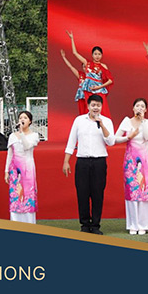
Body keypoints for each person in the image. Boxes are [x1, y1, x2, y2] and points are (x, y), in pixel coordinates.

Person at [63, 94, 116, 234]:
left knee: (98, 194)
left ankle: (96, 225)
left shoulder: (107, 121)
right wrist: (66, 161)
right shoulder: (79, 120)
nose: (95, 108)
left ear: (101, 107)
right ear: (88, 106)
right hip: (82, 162)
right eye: (93, 105)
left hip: (99, 161)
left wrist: (102, 125)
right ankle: (85, 225)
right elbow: (71, 141)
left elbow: (111, 141)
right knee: (82, 193)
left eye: (98, 105)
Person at [114, 98, 148, 235]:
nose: (139, 108)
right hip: (130, 161)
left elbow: (147, 137)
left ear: (145, 110)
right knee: (132, 190)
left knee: (144, 190)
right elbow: (115, 138)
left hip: (145, 161)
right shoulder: (126, 121)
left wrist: (142, 121)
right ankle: (133, 224)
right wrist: (129, 137)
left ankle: (144, 224)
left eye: (142, 106)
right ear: (133, 108)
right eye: (137, 106)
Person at [66, 30, 114, 118]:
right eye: (95, 54)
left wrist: (98, 87)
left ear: (102, 55)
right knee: (88, 111)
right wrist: (72, 39)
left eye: (99, 54)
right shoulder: (87, 63)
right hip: (88, 90)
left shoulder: (103, 66)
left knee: (102, 111)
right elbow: (75, 53)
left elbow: (110, 80)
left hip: (99, 91)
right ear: (92, 55)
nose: (97, 56)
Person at [4, 110, 39, 223]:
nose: (22, 120)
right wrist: (6, 171)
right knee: (15, 195)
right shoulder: (12, 136)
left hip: (27, 168)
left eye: (25, 118)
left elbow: (27, 146)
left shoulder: (34, 135)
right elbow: (10, 154)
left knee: (28, 194)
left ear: (30, 121)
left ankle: (29, 222)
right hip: (14, 169)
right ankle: (15, 222)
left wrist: (22, 134)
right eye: (20, 118)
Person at [60, 49, 89, 115]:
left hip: (89, 96)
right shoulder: (80, 75)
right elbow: (70, 67)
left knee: (89, 112)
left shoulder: (93, 75)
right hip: (81, 96)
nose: (85, 68)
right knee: (82, 113)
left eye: (87, 66)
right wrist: (64, 57)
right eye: (84, 67)